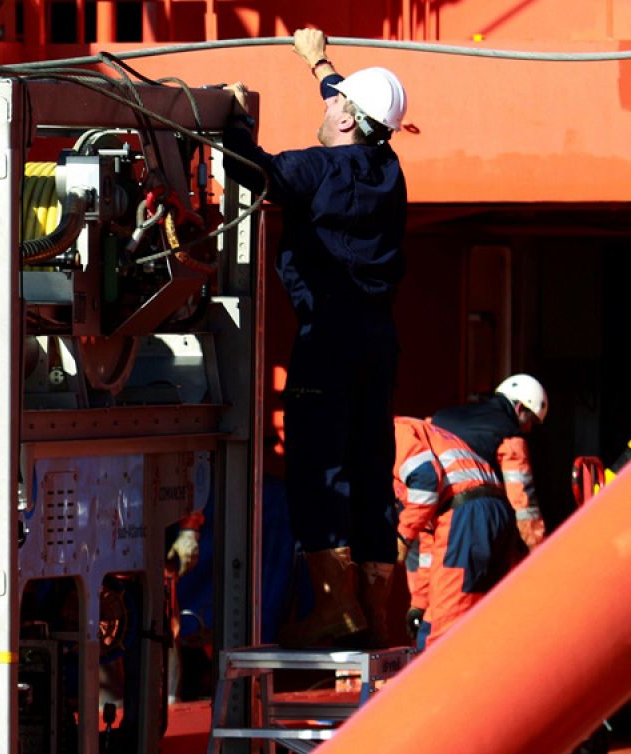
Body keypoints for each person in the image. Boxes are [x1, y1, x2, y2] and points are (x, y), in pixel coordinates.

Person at [220, 28, 409, 647]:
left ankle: (335, 608)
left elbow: (254, 171)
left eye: (334, 104)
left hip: (327, 333)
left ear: (351, 119)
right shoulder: (387, 165)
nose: (325, 107)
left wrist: (228, 119)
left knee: (317, 465)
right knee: (370, 463)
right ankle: (377, 613)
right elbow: (346, 99)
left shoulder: (321, 167)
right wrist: (320, 62)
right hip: (376, 338)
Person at [392, 417, 517, 649]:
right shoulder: (427, 433)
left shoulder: (394, 432)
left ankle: (435, 683)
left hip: (465, 516)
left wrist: (402, 537)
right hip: (493, 513)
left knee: (444, 632)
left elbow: (426, 480)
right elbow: (430, 538)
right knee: (478, 620)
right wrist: (420, 602)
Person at [431, 373, 548, 551]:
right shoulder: (510, 437)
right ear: (519, 408)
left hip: (422, 513)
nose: (528, 429)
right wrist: (538, 550)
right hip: (463, 524)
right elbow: (523, 503)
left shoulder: (440, 418)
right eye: (530, 420)